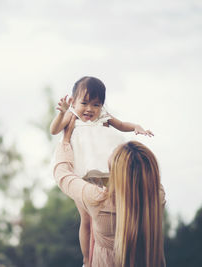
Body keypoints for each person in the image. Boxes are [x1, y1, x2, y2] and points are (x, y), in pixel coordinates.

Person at [50, 76, 154, 265]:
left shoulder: (104, 117)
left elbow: (122, 125)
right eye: (85, 103)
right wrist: (62, 113)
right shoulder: (72, 114)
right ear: (74, 101)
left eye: (96, 104)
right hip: (84, 175)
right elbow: (54, 130)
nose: (90, 109)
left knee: (109, 213)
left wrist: (136, 127)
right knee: (87, 220)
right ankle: (87, 259)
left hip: (106, 173)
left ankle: (115, 251)